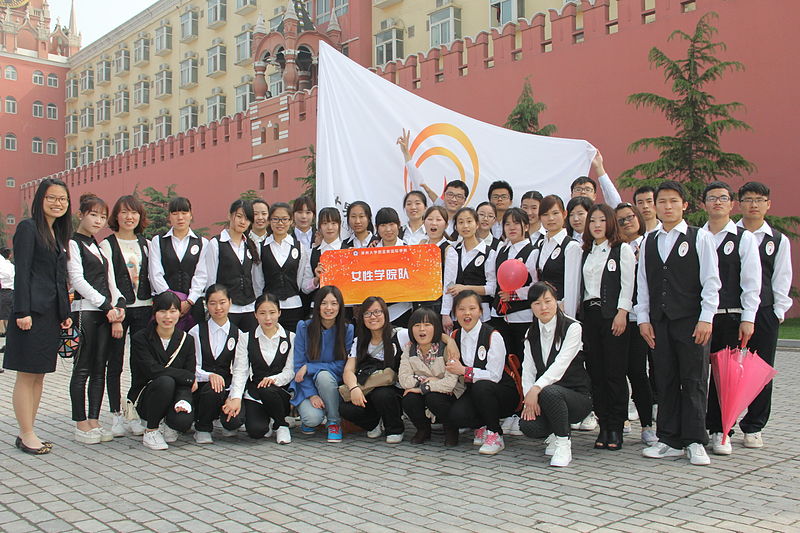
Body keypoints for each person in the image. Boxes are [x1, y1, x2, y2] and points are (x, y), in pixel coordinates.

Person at [636, 181, 721, 466]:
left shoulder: (700, 238)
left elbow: (711, 282)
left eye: (673, 201)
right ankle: (669, 439)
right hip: (659, 323)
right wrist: (644, 319)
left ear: (684, 205)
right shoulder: (650, 240)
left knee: (694, 379)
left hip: (691, 321)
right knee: (665, 379)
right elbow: (644, 284)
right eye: (662, 202)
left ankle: (695, 440)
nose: (667, 207)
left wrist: (706, 318)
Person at [4, 178, 72, 455]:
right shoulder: (28, 228)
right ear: (40, 199)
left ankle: (28, 430)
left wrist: (64, 313)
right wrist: (22, 311)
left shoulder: (56, 232)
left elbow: (58, 278)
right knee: (26, 374)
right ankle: (26, 432)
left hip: (50, 314)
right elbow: (23, 272)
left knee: (40, 375)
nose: (58, 203)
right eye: (52, 198)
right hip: (30, 313)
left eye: (63, 199)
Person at [700, 182, 762, 456]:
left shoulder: (742, 237)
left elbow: (752, 282)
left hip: (730, 316)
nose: (717, 203)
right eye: (712, 198)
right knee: (698, 376)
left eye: (723, 198)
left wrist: (748, 317)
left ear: (731, 204)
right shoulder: (696, 236)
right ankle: (699, 425)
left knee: (725, 378)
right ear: (703, 204)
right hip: (700, 318)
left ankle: (722, 430)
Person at [735, 181, 792, 449]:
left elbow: (782, 278)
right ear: (739, 203)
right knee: (728, 368)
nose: (754, 205)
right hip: (732, 312)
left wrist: (777, 311)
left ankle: (754, 425)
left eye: (759, 199)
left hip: (765, 312)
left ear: (768, 204)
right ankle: (724, 422)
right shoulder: (728, 235)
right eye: (748, 199)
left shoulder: (778, 240)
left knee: (760, 370)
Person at [68, 194, 126, 445]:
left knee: (100, 368)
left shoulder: (98, 245)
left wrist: (118, 304)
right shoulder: (72, 243)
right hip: (85, 312)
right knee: (82, 368)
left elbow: (110, 281)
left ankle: (94, 418)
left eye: (102, 216)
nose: (98, 220)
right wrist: (106, 305)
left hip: (104, 314)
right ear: (81, 214)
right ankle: (81, 422)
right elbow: (78, 280)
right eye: (93, 215)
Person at [580, 204, 635, 451]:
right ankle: (603, 424)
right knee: (596, 373)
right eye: (593, 221)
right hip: (589, 317)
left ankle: (616, 425)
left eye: (602, 220)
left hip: (612, 316)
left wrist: (622, 312)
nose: (597, 225)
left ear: (611, 223)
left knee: (614, 373)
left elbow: (627, 285)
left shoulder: (621, 249)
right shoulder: (586, 252)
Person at [519, 282, 592, 467]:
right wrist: (529, 397)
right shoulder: (531, 333)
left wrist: (536, 389)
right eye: (536, 303)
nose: (543, 307)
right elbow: (528, 370)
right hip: (546, 395)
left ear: (556, 301)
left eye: (547, 301)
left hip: (577, 397)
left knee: (551, 392)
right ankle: (554, 431)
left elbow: (560, 366)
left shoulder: (573, 327)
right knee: (528, 425)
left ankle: (563, 443)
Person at [100, 195, 153, 437]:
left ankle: (134, 410)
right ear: (116, 216)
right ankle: (115, 415)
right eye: (124, 212)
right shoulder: (107, 245)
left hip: (144, 307)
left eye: (134, 213)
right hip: (119, 311)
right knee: (115, 363)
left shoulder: (147, 243)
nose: (129, 217)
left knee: (140, 363)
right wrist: (116, 314)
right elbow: (107, 281)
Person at [446, 290, 520, 455]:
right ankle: (482, 425)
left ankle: (495, 434)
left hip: (501, 392)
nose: (467, 313)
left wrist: (465, 371)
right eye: (461, 309)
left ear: (480, 311)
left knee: (483, 387)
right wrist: (448, 340)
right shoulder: (455, 335)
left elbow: (494, 376)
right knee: (457, 416)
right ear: (455, 312)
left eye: (472, 308)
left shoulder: (493, 335)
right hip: (475, 392)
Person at [129, 292, 197, 450]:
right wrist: (187, 377)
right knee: (165, 381)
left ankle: (168, 422)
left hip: (174, 395)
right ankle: (151, 430)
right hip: (148, 395)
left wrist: (183, 399)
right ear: (154, 312)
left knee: (182, 421)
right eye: (162, 311)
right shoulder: (141, 338)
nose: (168, 317)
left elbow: (189, 374)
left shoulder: (187, 340)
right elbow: (152, 371)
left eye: (173, 311)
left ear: (180, 313)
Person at [226, 292, 295, 444]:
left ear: (279, 312)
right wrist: (236, 398)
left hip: (278, 392)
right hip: (255, 393)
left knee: (268, 389)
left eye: (272, 313)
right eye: (262, 313)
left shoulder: (291, 337)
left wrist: (273, 380)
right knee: (256, 431)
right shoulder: (246, 337)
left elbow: (290, 371)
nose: (268, 318)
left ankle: (280, 424)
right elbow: (240, 370)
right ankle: (267, 420)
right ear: (255, 314)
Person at [614, 202, 656, 446]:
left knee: (638, 373)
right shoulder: (616, 248)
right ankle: (621, 421)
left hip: (640, 319)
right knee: (618, 372)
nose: (627, 222)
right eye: (620, 220)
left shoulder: (650, 243)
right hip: (619, 319)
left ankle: (647, 424)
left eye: (630, 217)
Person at [290, 286, 354, 442]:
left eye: (334, 303)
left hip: (331, 384)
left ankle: (333, 421)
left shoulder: (347, 329)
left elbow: (342, 365)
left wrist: (310, 367)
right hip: (306, 385)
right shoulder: (304, 327)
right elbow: (299, 366)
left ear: (340, 306)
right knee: (312, 419)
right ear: (317, 305)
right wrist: (311, 394)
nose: (329, 308)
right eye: (324, 303)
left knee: (324, 376)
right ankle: (313, 417)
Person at [340, 297, 407, 444]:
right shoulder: (359, 341)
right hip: (367, 388)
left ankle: (395, 428)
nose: (373, 317)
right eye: (368, 313)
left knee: (382, 394)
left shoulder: (400, 335)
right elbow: (348, 371)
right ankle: (373, 423)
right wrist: (354, 388)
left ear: (385, 313)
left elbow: (431, 333)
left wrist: (450, 342)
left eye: (377, 312)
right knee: (345, 407)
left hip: (394, 390)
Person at [399, 307, 465, 446]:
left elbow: (450, 383)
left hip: (449, 394)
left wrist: (423, 388)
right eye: (417, 325)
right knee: (409, 398)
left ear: (436, 328)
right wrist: (428, 382)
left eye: (427, 325)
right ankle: (423, 430)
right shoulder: (409, 349)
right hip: (426, 388)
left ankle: (451, 429)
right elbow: (404, 380)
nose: (422, 329)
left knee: (434, 398)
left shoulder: (447, 348)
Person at [188, 285, 245, 444]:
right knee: (213, 387)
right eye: (212, 303)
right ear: (206, 304)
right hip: (202, 387)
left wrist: (234, 397)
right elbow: (193, 366)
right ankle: (202, 427)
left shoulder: (238, 334)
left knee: (234, 423)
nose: (218, 308)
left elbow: (240, 369)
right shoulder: (196, 332)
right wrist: (210, 376)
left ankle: (221, 418)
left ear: (230, 303)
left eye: (222, 302)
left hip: (226, 387)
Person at [201, 199, 262, 333]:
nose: (242, 222)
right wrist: (212, 306)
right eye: (239, 216)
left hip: (249, 307)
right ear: (230, 216)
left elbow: (255, 278)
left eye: (247, 219)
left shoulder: (251, 245)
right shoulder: (216, 244)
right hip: (227, 308)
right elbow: (211, 278)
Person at [148, 196, 208, 330]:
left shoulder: (202, 242)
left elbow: (201, 275)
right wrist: (171, 301)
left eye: (184, 213)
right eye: (175, 214)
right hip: (165, 306)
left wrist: (189, 301)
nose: (180, 217)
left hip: (192, 305)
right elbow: (155, 274)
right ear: (169, 216)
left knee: (193, 344)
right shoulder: (158, 241)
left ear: (191, 215)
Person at [491, 208, 538, 359]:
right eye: (507, 224)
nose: (511, 228)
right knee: (504, 358)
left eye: (516, 223)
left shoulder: (533, 252)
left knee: (524, 357)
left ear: (526, 226)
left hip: (523, 316)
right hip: (500, 316)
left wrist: (514, 295)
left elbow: (536, 286)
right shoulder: (502, 251)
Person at [441, 207, 498, 332]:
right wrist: (445, 313)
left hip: (481, 312)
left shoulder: (489, 253)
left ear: (477, 224)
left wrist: (465, 288)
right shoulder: (453, 252)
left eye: (469, 221)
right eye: (460, 222)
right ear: (456, 227)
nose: (465, 226)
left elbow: (492, 288)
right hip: (459, 312)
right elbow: (448, 284)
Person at [261, 202, 310, 333]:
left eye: (284, 219)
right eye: (275, 219)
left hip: (294, 306)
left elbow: (301, 279)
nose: (280, 223)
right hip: (268, 309)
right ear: (269, 221)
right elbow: (257, 280)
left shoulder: (299, 247)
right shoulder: (261, 247)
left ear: (291, 221)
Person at [536, 195, 582, 319]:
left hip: (562, 311)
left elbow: (573, 287)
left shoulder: (571, 246)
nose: (550, 218)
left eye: (555, 213)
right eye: (545, 215)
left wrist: (567, 315)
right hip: (542, 311)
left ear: (564, 214)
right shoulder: (541, 244)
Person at [370, 207, 412, 327]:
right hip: (376, 311)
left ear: (399, 225)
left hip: (403, 310)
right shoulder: (369, 253)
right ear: (376, 227)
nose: (388, 229)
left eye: (392, 224)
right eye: (383, 225)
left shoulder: (409, 251)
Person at [304, 207, 343, 305]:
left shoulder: (350, 251)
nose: (330, 227)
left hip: (344, 305)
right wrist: (316, 279)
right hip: (318, 306)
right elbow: (304, 288)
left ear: (339, 225)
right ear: (319, 227)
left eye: (333, 223)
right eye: (325, 223)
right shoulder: (311, 253)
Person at [0, 247, 14, 359]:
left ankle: (8, 344)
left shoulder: (5, 265)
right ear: (9, 255)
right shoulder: (10, 266)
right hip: (9, 293)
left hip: (4, 292)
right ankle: (9, 344)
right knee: (8, 319)